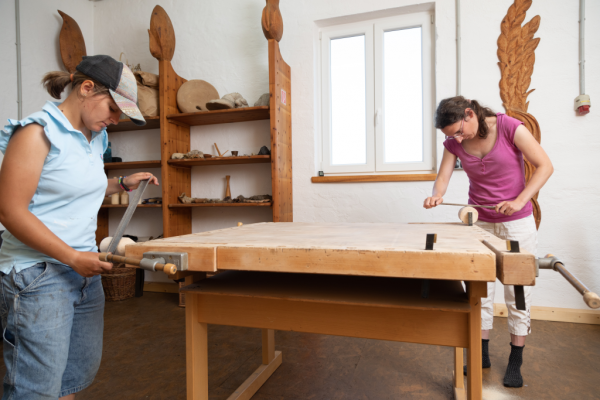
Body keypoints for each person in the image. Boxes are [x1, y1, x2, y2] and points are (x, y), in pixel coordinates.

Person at [0, 55, 159, 399]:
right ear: (87, 88)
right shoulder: (36, 133)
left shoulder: (93, 136)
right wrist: (72, 257)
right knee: (36, 390)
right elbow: (10, 211)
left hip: (82, 273)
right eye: (113, 110)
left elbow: (78, 185)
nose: (115, 120)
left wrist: (122, 183)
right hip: (39, 275)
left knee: (71, 380)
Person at [423, 96, 553, 388]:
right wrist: (437, 195)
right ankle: (481, 353)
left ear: (470, 114)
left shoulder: (509, 128)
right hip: (478, 222)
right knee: (479, 289)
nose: (457, 138)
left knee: (517, 292)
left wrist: (519, 199)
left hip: (517, 221)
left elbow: (545, 166)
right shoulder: (454, 142)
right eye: (451, 136)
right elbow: (443, 176)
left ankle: (515, 360)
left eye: (458, 131)